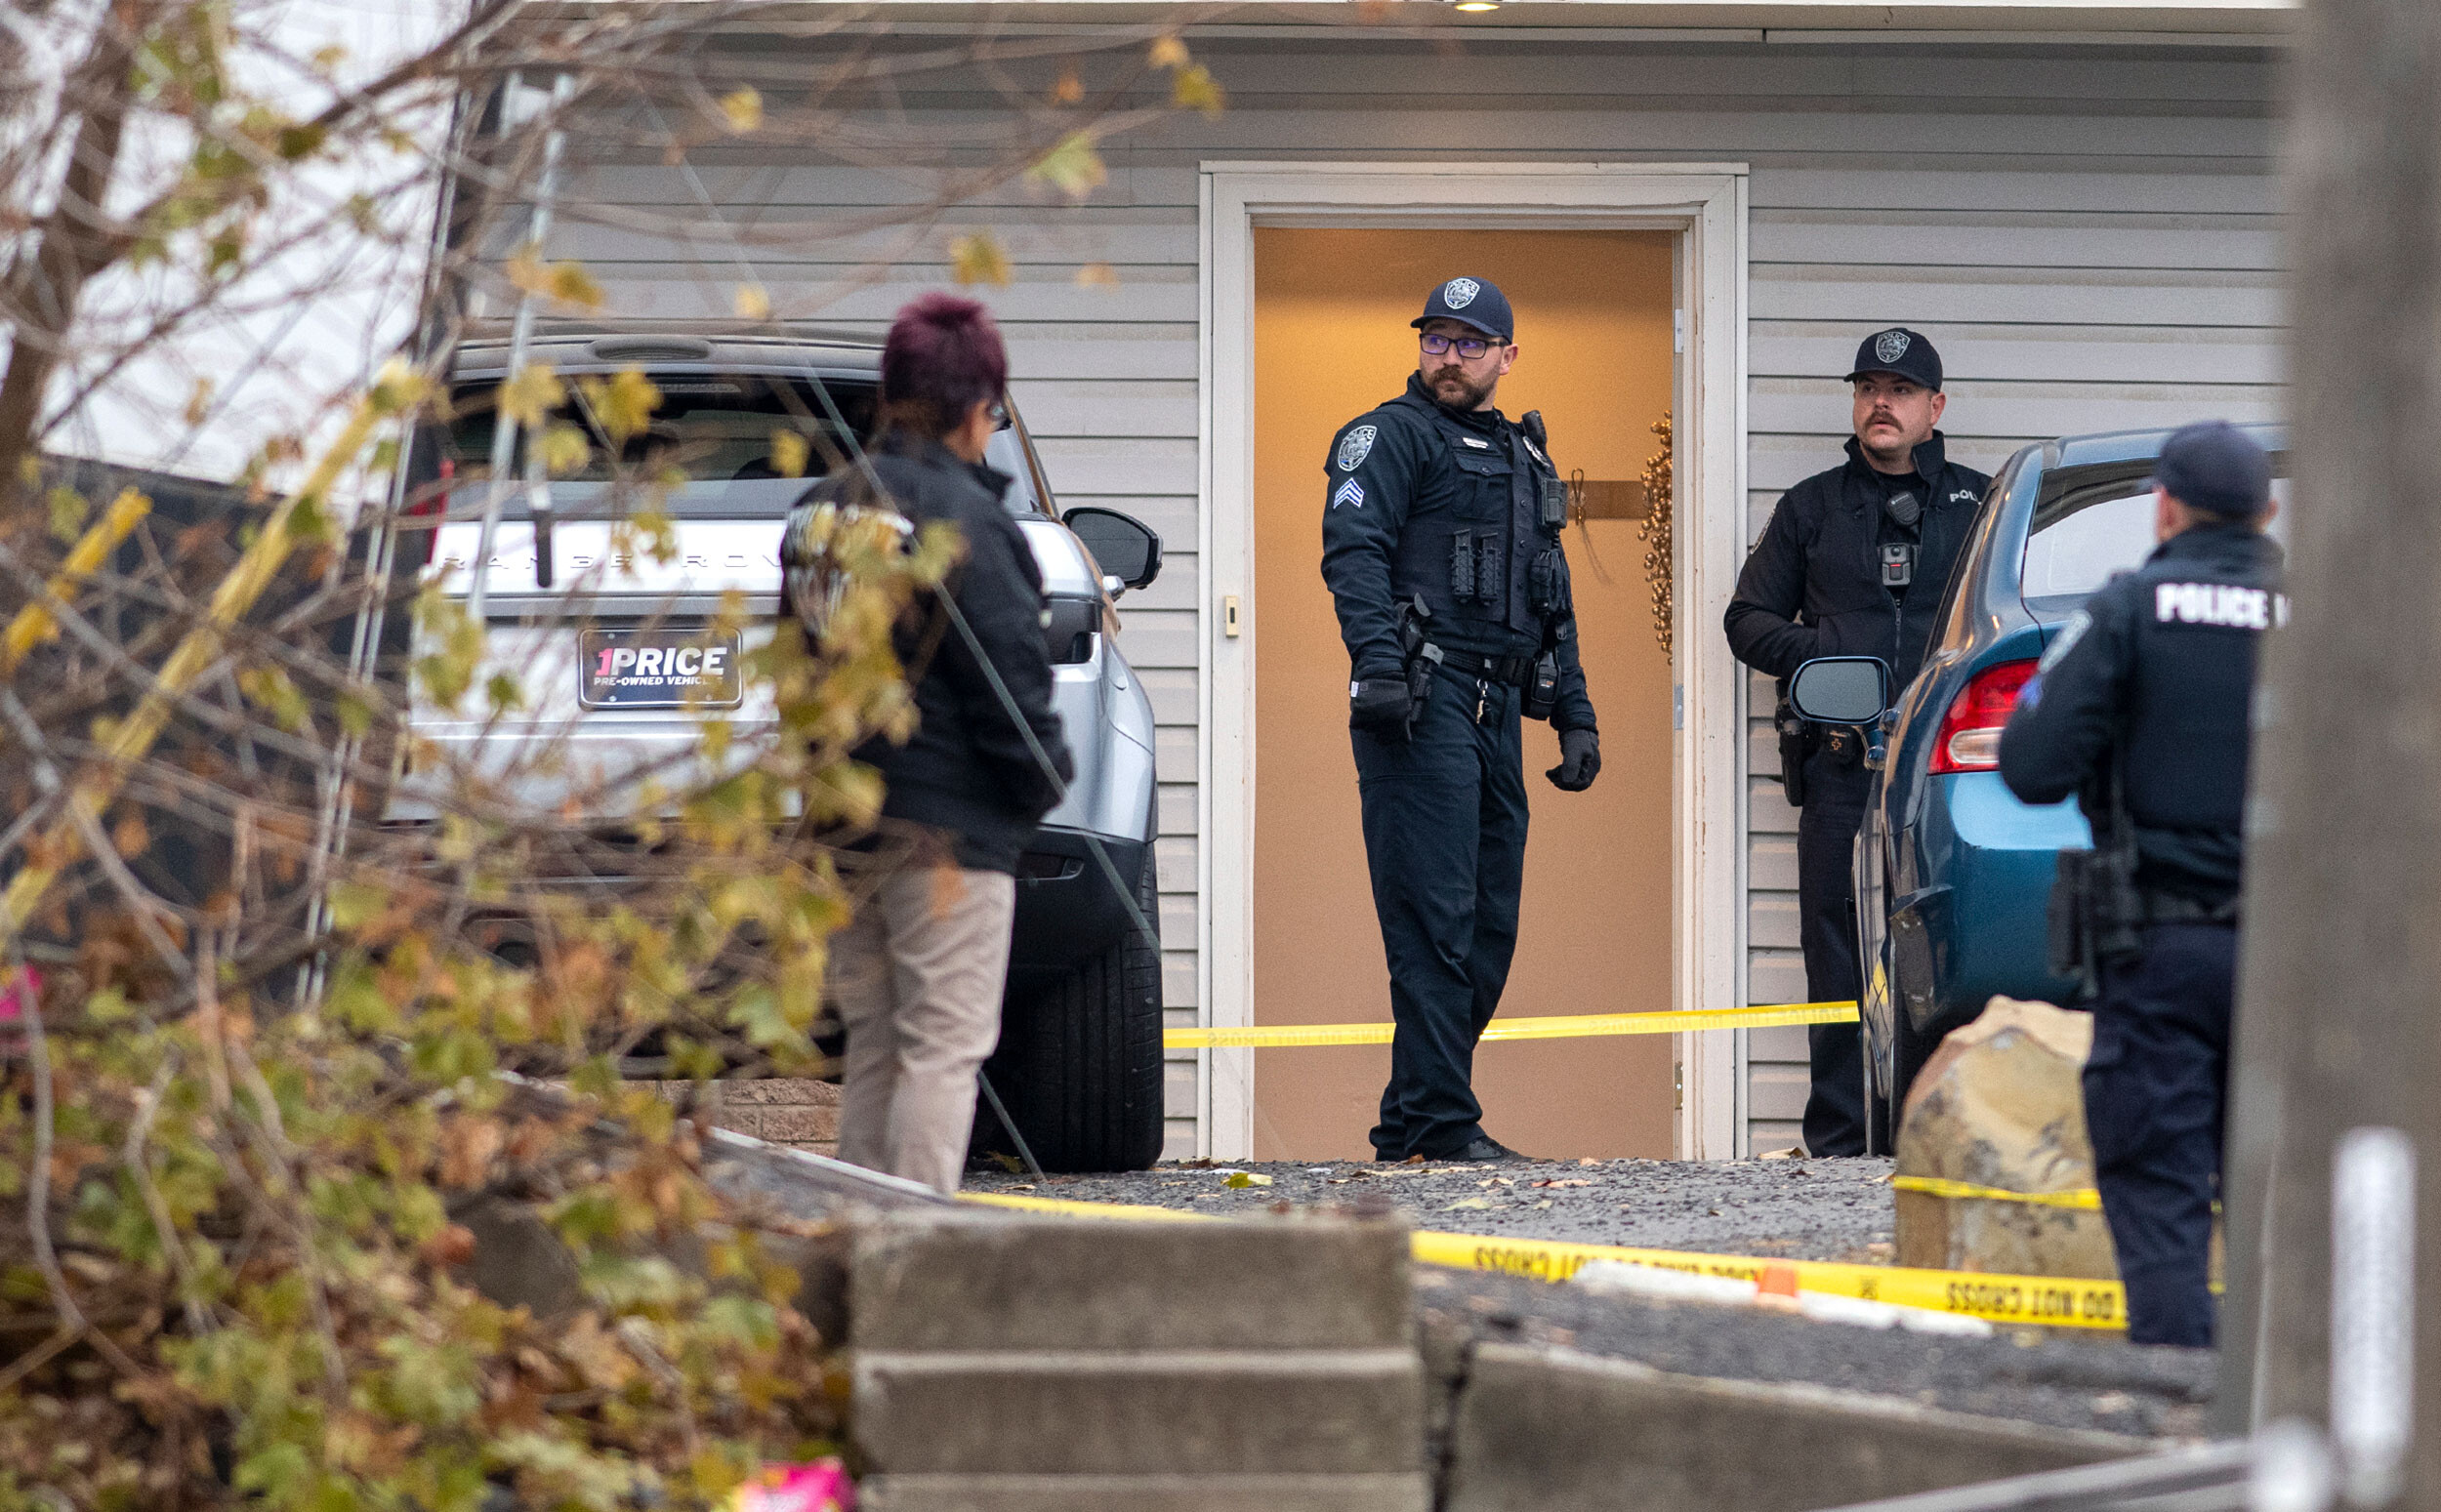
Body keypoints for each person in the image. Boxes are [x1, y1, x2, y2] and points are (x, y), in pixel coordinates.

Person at [781, 293, 1074, 1194]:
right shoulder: (969, 528)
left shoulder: (820, 514)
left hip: (842, 826)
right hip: (949, 838)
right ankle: (912, 1248)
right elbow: (1010, 696)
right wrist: (1042, 785)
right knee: (945, 1049)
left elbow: (791, 670)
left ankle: (856, 1242)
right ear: (977, 407)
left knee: (875, 1044)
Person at [1997, 420, 2280, 1348]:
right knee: (2289, 1211)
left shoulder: (2126, 611)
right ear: (2267, 513)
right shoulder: (2330, 620)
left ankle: (2179, 1428)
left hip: (2159, 949)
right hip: (2299, 964)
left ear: (2164, 508)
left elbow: (2031, 765)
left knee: (2160, 1191)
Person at [1321, 275, 1601, 1165]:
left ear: (1506, 356)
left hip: (1498, 706)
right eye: (1436, 339)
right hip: (1420, 699)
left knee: (1488, 923)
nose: (1449, 356)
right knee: (1433, 918)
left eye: (1468, 343)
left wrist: (1576, 715)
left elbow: (1550, 597)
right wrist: (1375, 665)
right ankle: (1442, 1122)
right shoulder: (1388, 436)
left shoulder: (1526, 457)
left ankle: (1409, 1121)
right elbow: (1353, 554)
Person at [1722, 328, 1991, 1156]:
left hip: (1948, 776)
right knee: (1837, 958)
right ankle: (1840, 1142)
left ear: (1935, 408)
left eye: (1902, 390)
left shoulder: (1979, 505)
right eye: (1870, 386)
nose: (1883, 401)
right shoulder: (1811, 507)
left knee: (1953, 947)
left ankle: (1943, 1137)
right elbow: (1748, 621)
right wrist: (1826, 655)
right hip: (1841, 770)